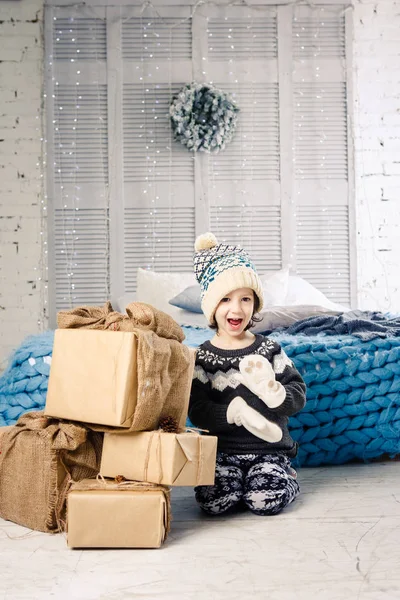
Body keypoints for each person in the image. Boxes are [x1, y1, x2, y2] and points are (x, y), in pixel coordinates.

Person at [188, 232, 307, 516]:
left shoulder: (268, 349)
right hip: (223, 453)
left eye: (245, 299)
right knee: (213, 502)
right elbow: (197, 410)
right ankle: (239, 482)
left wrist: (277, 394)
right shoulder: (203, 357)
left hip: (270, 449)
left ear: (255, 305)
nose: (236, 308)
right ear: (211, 306)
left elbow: (298, 392)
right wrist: (230, 413)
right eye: (225, 299)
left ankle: (284, 477)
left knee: (264, 500)